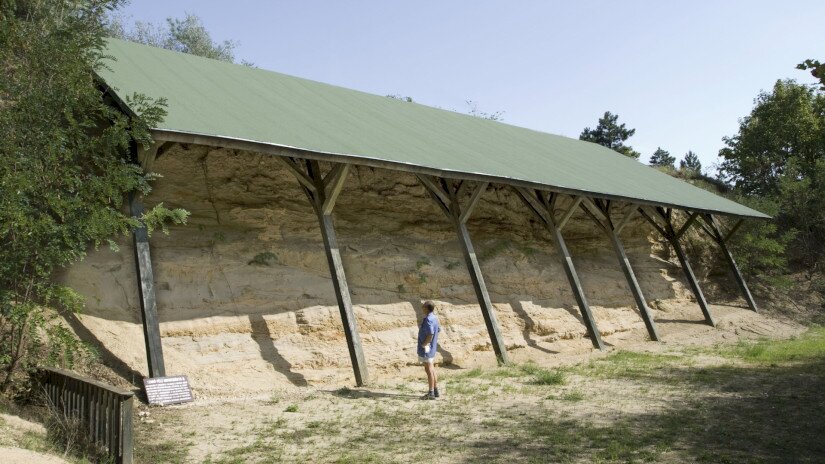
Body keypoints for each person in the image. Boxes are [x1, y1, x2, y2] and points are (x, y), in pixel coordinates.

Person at [417, 300, 440, 400]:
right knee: (432, 368)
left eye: (423, 306)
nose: (422, 308)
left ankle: (431, 393)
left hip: (427, 348)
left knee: (429, 369)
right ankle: (435, 390)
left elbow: (430, 334)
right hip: (432, 347)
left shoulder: (428, 319)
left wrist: (424, 344)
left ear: (427, 308)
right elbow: (438, 330)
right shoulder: (434, 317)